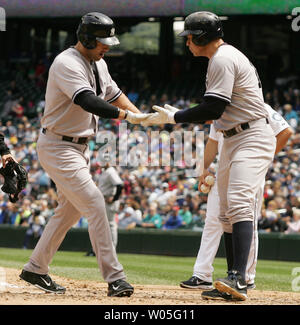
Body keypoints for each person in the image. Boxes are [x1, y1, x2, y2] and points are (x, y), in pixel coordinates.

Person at [142, 11, 277, 301]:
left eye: (189, 36)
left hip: (251, 135)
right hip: (233, 137)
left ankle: (240, 278)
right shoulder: (221, 58)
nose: (187, 42)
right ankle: (233, 279)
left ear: (201, 37)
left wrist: (174, 117)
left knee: (240, 203)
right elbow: (216, 111)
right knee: (226, 213)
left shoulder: (223, 59)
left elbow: (213, 108)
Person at [19, 12, 148, 297]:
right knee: (94, 202)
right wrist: (128, 116)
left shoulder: (97, 63)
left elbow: (113, 94)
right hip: (58, 146)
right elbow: (88, 100)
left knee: (68, 211)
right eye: (103, 41)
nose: (108, 47)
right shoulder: (67, 62)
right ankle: (115, 278)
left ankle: (35, 268)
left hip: (78, 147)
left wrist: (143, 118)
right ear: (86, 38)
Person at [180, 104, 293, 300]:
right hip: (225, 169)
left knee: (245, 218)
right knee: (217, 220)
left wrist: (261, 159)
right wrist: (203, 169)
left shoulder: (255, 104)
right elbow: (213, 141)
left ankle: (246, 277)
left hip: (249, 168)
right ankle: (205, 275)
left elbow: (285, 131)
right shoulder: (218, 107)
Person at [97, 159, 123, 248]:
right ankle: (101, 248)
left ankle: (112, 248)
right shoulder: (105, 171)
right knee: (102, 225)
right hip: (103, 200)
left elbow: (120, 185)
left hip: (109, 202)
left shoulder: (111, 171)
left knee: (111, 224)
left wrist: (114, 198)